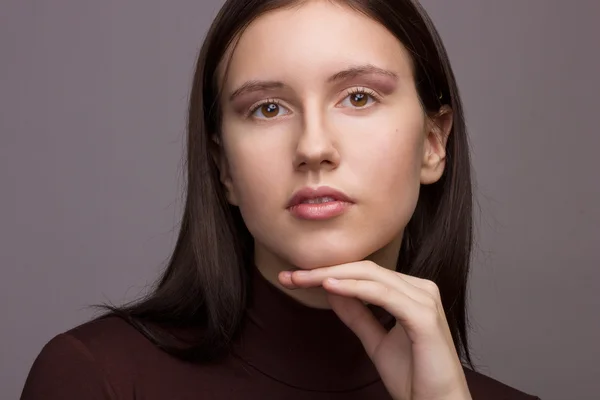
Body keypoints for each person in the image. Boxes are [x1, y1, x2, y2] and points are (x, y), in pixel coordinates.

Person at [21, 0, 541, 399]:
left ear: (433, 143)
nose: (314, 147)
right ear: (223, 167)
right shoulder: (99, 378)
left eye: (359, 98)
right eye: (268, 109)